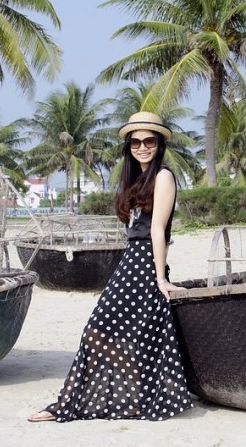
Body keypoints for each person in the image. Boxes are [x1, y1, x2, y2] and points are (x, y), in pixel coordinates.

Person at [28, 111, 194, 422]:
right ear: (128, 146)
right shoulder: (135, 179)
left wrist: (159, 277)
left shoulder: (163, 177)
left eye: (149, 141)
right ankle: (133, 397)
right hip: (129, 262)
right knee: (105, 334)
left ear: (159, 145)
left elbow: (158, 230)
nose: (142, 147)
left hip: (145, 264)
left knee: (120, 333)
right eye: (136, 142)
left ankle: (79, 404)